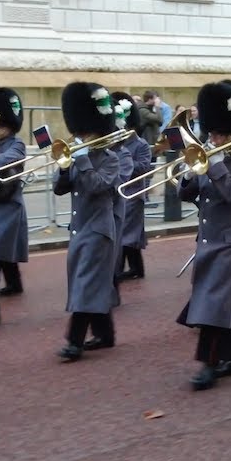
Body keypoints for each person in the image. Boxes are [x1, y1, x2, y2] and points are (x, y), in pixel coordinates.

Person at [177, 81, 231, 390]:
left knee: (211, 304)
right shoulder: (209, 159)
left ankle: (208, 364)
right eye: (212, 133)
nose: (213, 139)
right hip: (207, 241)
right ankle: (230, 360)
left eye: (219, 134)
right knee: (220, 301)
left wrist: (217, 165)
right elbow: (187, 195)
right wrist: (189, 174)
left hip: (228, 243)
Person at [51, 83, 120, 359]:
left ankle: (74, 341)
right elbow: (59, 188)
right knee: (89, 282)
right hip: (80, 229)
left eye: (85, 132)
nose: (80, 138)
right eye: (78, 133)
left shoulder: (110, 159)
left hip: (99, 230)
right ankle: (105, 334)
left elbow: (97, 186)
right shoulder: (77, 155)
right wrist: (66, 167)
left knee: (84, 283)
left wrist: (81, 161)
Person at [0, 87, 29, 296]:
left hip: (9, 203)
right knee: (3, 249)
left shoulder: (17, 144)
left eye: (1, 125)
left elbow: (6, 160)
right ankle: (14, 284)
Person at [113, 92, 151, 281]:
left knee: (127, 236)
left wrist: (123, 162)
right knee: (125, 235)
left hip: (134, 193)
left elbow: (144, 166)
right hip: (121, 193)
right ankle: (135, 269)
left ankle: (120, 270)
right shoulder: (114, 144)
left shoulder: (141, 144)